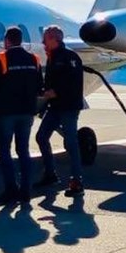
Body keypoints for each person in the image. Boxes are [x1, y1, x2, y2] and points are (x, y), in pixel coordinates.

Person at [0, 26, 42, 204]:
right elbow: (39, 84)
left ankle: (11, 188)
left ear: (7, 41)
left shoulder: (2, 59)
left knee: (4, 151)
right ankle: (25, 191)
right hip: (27, 112)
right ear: (20, 40)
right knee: (23, 151)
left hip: (7, 112)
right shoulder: (34, 59)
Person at [36, 24, 85, 197]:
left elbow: (75, 83)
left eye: (45, 38)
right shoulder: (52, 57)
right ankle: (50, 174)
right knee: (41, 137)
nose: (43, 42)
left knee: (71, 142)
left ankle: (77, 181)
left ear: (54, 39)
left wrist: (56, 92)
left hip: (69, 107)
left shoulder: (70, 57)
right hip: (55, 106)